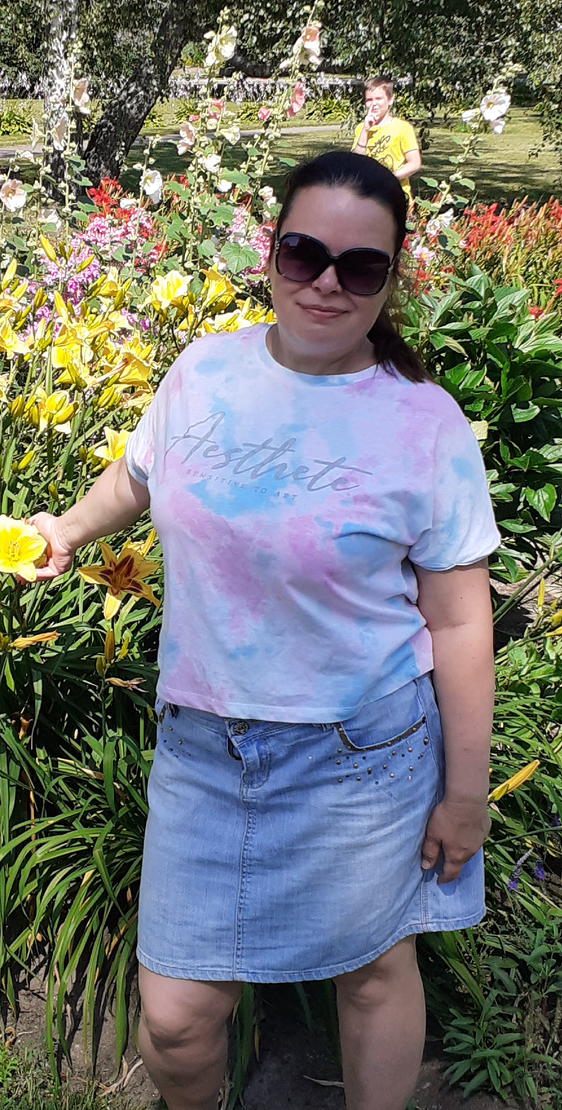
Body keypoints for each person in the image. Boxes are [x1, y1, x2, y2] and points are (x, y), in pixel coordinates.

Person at [28, 150, 498, 1110]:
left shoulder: (424, 424)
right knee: (175, 1017)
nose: (327, 283)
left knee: (373, 973)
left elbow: (459, 622)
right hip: (205, 750)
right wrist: (68, 530)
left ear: (392, 279)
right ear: (271, 252)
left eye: (360, 267)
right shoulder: (205, 371)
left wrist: (465, 796)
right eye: (304, 254)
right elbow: (140, 473)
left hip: (360, 757)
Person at [352, 75, 421, 205]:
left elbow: (414, 163)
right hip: (369, 197)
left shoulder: (403, 127)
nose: (374, 104)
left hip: (396, 195)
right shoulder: (361, 128)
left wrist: (389, 178)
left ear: (390, 100)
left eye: (379, 98)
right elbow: (356, 163)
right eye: (369, 100)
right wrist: (365, 130)